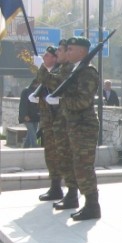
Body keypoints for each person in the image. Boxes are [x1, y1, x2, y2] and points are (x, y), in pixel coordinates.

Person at [45, 36, 101, 220]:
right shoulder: (75, 71)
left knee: (84, 166)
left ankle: (92, 205)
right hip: (74, 125)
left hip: (84, 125)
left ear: (82, 52)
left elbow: (83, 101)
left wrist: (61, 100)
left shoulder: (88, 72)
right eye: (66, 49)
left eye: (71, 49)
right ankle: (81, 201)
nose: (67, 52)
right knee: (76, 164)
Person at [49, 40, 81, 211]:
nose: (60, 54)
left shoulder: (73, 70)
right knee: (63, 158)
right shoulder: (66, 69)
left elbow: (55, 84)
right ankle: (69, 193)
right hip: (63, 121)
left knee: (72, 160)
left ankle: (74, 195)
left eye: (64, 50)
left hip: (72, 123)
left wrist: (43, 69)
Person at [31, 46, 64, 200]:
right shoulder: (48, 72)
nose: (44, 58)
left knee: (60, 155)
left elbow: (52, 83)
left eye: (47, 56)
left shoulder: (59, 71)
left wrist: (42, 68)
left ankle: (68, 189)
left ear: (55, 58)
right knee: (50, 155)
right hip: (47, 121)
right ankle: (55, 187)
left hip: (58, 121)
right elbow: (38, 85)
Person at [19, 79, 40, 148]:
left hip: (35, 116)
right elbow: (23, 104)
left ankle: (25, 148)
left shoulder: (38, 91)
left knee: (30, 134)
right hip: (27, 116)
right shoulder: (26, 91)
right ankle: (35, 147)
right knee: (33, 134)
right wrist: (24, 115)